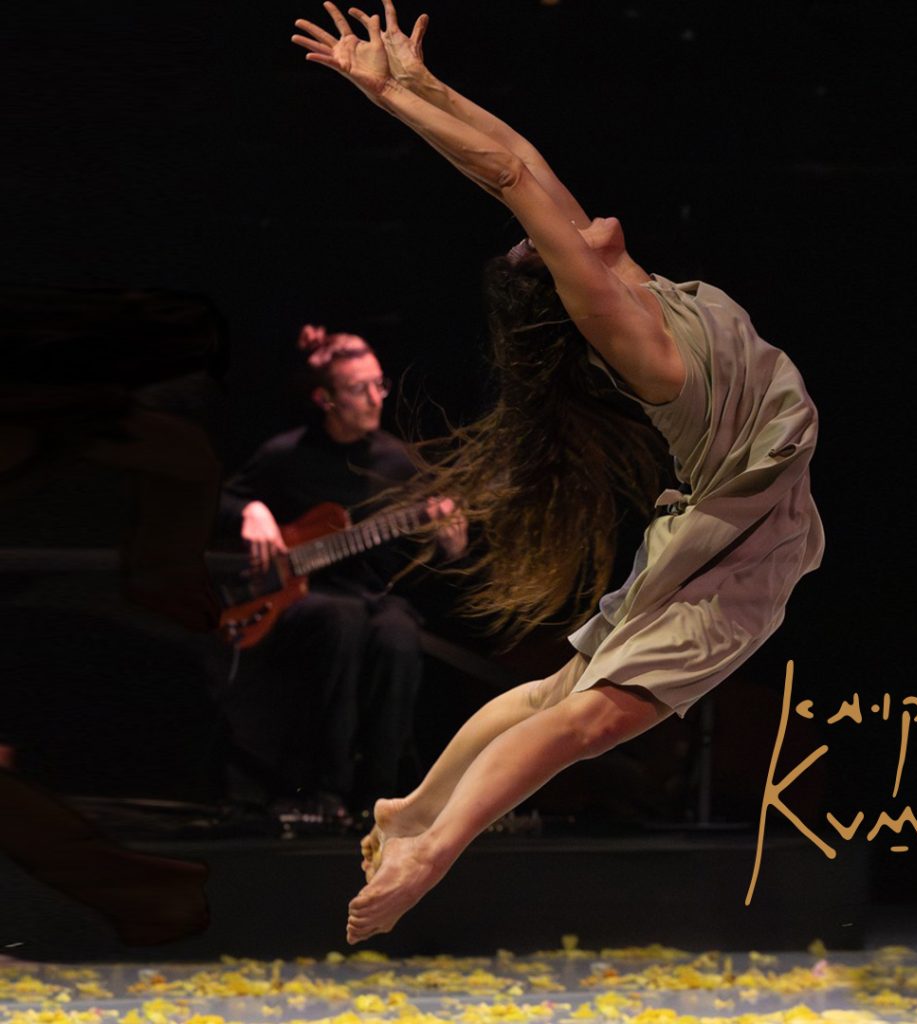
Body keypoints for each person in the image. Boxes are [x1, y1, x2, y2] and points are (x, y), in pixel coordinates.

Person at [291, 0, 824, 942]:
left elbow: (517, 160)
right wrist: (385, 99)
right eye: (542, 239)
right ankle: (433, 853)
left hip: (734, 534)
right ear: (567, 275)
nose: (553, 218)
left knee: (556, 694)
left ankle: (414, 811)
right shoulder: (627, 328)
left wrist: (422, 83)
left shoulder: (637, 286)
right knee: (590, 719)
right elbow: (509, 178)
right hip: (732, 548)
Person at [218, 326, 467, 826]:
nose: (376, 398)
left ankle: (381, 796)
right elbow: (221, 500)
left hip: (374, 595)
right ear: (325, 399)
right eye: (359, 388)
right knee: (341, 621)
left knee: (397, 634)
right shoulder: (286, 455)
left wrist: (452, 542)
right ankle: (322, 790)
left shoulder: (398, 462)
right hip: (303, 598)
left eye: (379, 384)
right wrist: (252, 511)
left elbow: (443, 558)